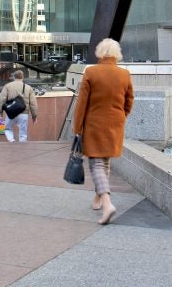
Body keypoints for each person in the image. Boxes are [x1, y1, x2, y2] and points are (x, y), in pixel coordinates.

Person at [73, 38, 134, 225]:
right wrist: (121, 116)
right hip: (115, 124)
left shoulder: (91, 72)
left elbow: (81, 104)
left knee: (96, 163)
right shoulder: (124, 74)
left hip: (94, 124)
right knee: (104, 161)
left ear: (99, 53)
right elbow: (129, 101)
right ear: (117, 54)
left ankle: (107, 202)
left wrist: (77, 128)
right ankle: (98, 198)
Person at [0, 70, 38, 143]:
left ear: (14, 77)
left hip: (11, 113)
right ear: (22, 77)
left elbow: (2, 99)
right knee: (23, 133)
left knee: (7, 128)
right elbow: (33, 103)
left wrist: (0, 112)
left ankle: (11, 140)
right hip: (24, 113)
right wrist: (34, 116)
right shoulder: (28, 88)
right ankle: (22, 147)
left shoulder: (7, 86)